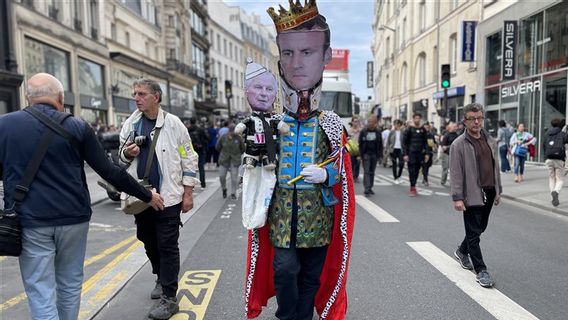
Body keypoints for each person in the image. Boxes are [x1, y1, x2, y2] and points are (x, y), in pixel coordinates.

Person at [0, 73, 164, 320]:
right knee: (69, 284)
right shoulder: (77, 126)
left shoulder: (5, 125)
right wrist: (147, 195)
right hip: (73, 218)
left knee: (40, 290)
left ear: (27, 97)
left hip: (30, 220)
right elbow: (110, 171)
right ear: (61, 97)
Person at [245, 1, 356, 319]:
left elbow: (343, 174)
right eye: (289, 53)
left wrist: (327, 176)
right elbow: (254, 165)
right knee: (284, 269)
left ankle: (302, 316)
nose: (296, 64)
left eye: (307, 52)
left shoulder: (332, 123)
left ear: (324, 57)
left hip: (318, 219)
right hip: (281, 217)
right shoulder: (271, 123)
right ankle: (287, 315)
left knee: (311, 275)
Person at [119, 78, 199, 319]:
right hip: (142, 196)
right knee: (146, 239)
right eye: (135, 93)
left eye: (142, 93)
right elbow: (121, 160)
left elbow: (189, 158)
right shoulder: (130, 124)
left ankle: (169, 296)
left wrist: (188, 193)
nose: (136, 97)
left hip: (168, 197)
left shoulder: (174, 125)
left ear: (156, 97)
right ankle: (160, 276)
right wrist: (127, 152)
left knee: (167, 245)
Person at [450, 103, 502, 288]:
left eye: (480, 117)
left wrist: (498, 190)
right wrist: (457, 197)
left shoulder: (490, 140)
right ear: (465, 121)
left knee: (481, 228)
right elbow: (456, 172)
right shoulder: (458, 144)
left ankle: (462, 251)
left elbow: (495, 167)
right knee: (474, 233)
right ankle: (481, 271)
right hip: (471, 193)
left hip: (489, 190)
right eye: (472, 118)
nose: (477, 121)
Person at [543, 118, 568, 207]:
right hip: (559, 159)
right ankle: (556, 192)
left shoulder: (546, 134)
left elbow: (544, 146)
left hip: (549, 158)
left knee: (551, 178)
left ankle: (552, 198)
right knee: (560, 179)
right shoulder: (563, 134)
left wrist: (545, 158)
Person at [216, 124, 245, 200]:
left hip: (234, 160)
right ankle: (224, 188)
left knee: (234, 177)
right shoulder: (223, 137)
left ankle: (233, 193)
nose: (232, 133)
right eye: (231, 131)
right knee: (222, 176)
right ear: (229, 131)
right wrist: (223, 153)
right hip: (224, 159)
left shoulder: (238, 138)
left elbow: (243, 148)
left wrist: (237, 155)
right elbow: (218, 147)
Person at [403, 113, 429, 196]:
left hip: (420, 153)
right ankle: (412, 187)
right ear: (413, 119)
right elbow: (404, 143)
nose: (417, 120)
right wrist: (405, 154)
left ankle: (414, 184)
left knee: (417, 170)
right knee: (411, 170)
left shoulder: (423, 129)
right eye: (416, 118)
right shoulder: (409, 129)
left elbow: (426, 142)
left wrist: (427, 154)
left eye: (419, 118)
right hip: (411, 153)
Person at [359, 115, 383, 195]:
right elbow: (360, 143)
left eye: (372, 122)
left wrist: (380, 155)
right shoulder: (363, 131)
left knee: (372, 171)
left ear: (375, 123)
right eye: (369, 122)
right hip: (366, 154)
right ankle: (366, 188)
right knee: (366, 171)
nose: (370, 123)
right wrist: (360, 155)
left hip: (375, 154)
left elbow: (380, 144)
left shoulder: (378, 132)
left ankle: (370, 187)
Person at [187, 118, 209, 188]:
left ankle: (191, 185)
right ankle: (203, 184)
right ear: (196, 122)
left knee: (191, 168)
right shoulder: (201, 129)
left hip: (191, 150)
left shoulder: (188, 130)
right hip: (201, 150)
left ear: (190, 122)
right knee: (201, 167)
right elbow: (208, 138)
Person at [440, 122, 459, 186]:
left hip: (454, 154)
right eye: (454, 127)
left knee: (453, 169)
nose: (456, 128)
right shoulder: (447, 135)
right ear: (450, 128)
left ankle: (453, 182)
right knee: (445, 168)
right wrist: (446, 147)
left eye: (456, 127)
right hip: (446, 154)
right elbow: (443, 145)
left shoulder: (457, 135)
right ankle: (443, 181)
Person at [386, 119, 405, 184]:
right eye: (395, 124)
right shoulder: (392, 132)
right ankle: (395, 178)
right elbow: (388, 142)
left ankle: (398, 176)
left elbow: (405, 142)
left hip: (401, 149)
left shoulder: (403, 132)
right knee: (394, 164)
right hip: (393, 149)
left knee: (401, 164)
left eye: (397, 124)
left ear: (400, 124)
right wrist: (387, 150)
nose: (396, 125)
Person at [348, 116, 362, 182]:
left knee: (358, 163)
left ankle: (356, 176)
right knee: (352, 163)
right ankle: (352, 176)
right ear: (352, 122)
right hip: (351, 149)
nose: (355, 123)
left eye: (357, 121)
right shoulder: (349, 131)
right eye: (354, 121)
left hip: (358, 149)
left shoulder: (361, 131)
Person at [422, 122, 436, 186]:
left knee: (428, 165)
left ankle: (424, 177)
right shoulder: (421, 134)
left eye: (427, 127)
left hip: (429, 152)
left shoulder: (430, 134)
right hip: (423, 152)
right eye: (425, 127)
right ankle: (425, 179)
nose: (426, 128)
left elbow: (432, 143)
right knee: (424, 166)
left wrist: (434, 145)